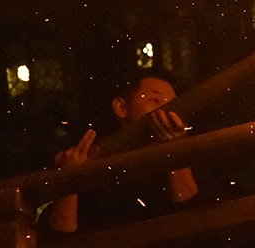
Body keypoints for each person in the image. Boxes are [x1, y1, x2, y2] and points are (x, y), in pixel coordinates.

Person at [41, 69, 199, 235]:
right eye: (155, 100)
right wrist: (70, 180)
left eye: (171, 103)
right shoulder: (95, 166)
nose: (166, 111)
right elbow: (60, 237)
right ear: (121, 107)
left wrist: (175, 152)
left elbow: (197, 224)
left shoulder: (190, 159)